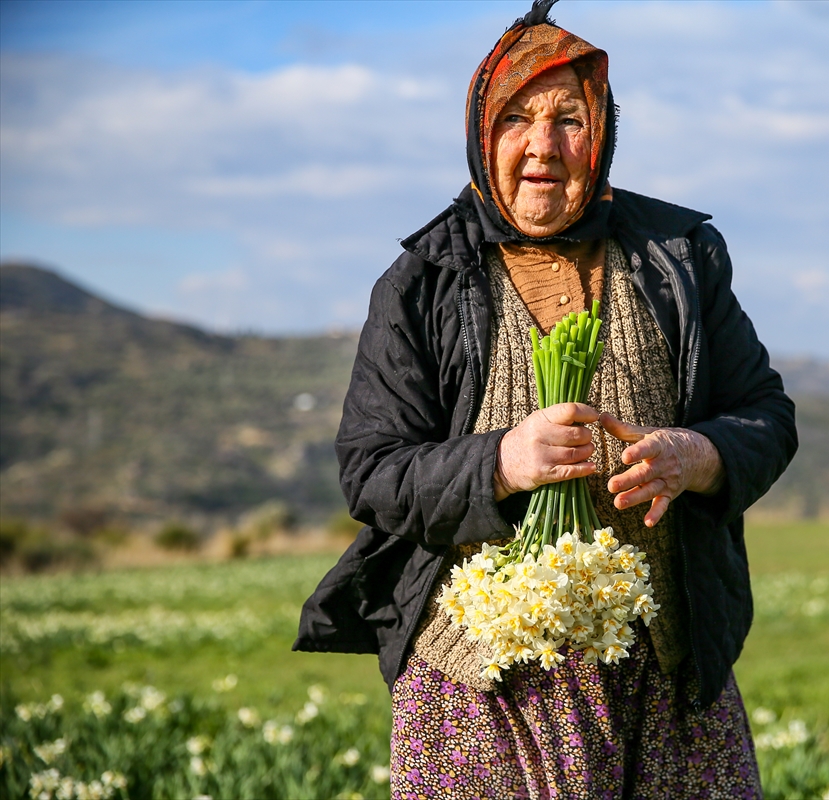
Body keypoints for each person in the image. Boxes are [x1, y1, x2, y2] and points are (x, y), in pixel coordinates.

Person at [295, 2, 797, 797]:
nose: (543, 146)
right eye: (517, 118)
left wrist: (696, 456)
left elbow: (764, 415)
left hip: (663, 676)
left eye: (570, 118)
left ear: (602, 134)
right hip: (483, 688)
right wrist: (499, 461)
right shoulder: (422, 283)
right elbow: (373, 470)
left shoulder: (679, 259)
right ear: (479, 132)